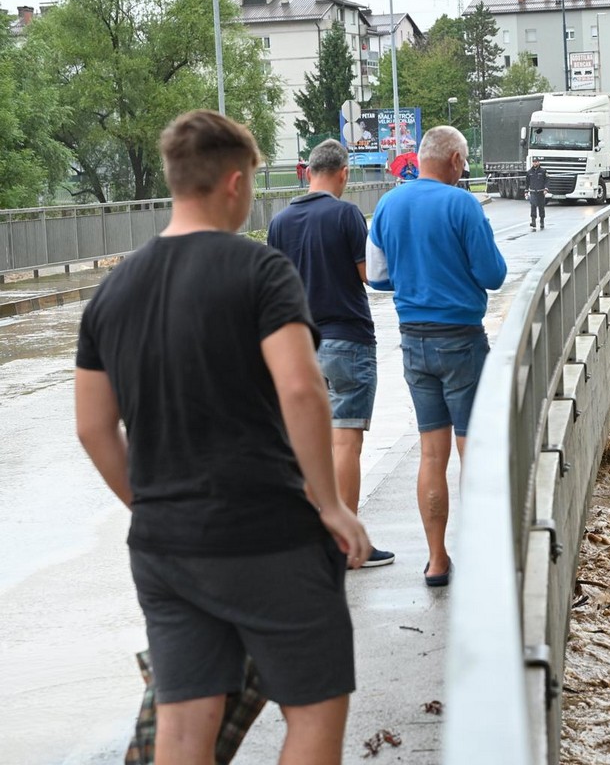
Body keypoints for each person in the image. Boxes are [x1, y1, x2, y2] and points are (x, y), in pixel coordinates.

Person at [75, 110, 371, 764]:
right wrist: (330, 504)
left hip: (163, 546)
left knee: (184, 727)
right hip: (266, 532)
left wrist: (150, 504)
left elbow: (92, 427)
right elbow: (301, 389)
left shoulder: (111, 292)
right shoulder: (260, 271)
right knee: (314, 711)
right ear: (234, 183)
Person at [365, 126, 507, 588]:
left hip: (413, 342)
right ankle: (481, 552)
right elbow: (493, 274)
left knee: (432, 451)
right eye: (463, 162)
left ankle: (437, 561)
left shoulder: (388, 205)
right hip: (462, 340)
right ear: (453, 160)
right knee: (472, 449)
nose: (464, 169)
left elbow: (380, 278)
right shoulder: (462, 204)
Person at [268, 139, 394, 568]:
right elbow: (370, 275)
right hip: (347, 341)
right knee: (345, 444)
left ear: (307, 173)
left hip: (298, 346)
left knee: (305, 446)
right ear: (342, 173)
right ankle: (346, 543)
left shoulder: (280, 221)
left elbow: (273, 291)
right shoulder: (345, 214)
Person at [526, 157, 548, 230]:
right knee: (533, 206)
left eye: (536, 162)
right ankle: (533, 221)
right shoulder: (529, 172)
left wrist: (546, 189)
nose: (535, 163)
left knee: (541, 207)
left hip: (541, 192)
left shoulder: (543, 171)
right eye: (534, 162)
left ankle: (542, 221)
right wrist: (526, 191)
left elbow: (547, 181)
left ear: (539, 162)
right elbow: (527, 183)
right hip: (533, 192)